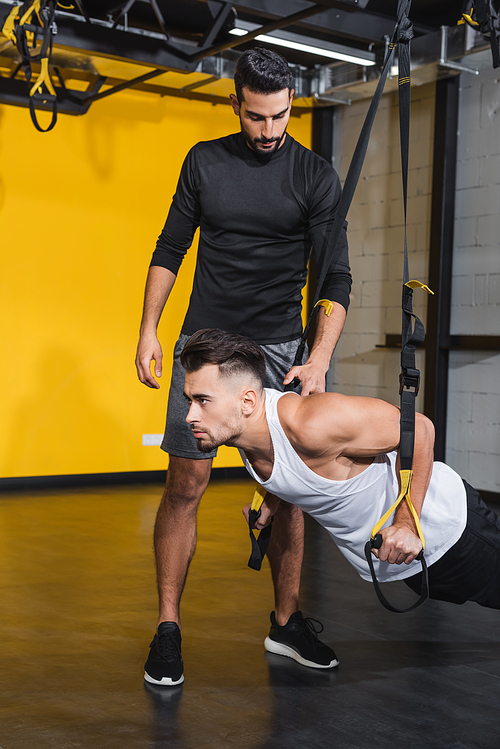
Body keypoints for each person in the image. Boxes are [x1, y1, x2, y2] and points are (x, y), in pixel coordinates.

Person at [135, 48, 352, 686]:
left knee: (291, 495)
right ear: (237, 105)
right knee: (186, 488)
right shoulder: (205, 161)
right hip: (206, 345)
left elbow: (333, 273)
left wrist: (318, 359)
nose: (269, 131)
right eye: (257, 118)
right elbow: (170, 247)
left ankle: (285, 624)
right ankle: (168, 629)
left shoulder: (314, 175)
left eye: (281, 117)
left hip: (282, 348)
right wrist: (148, 328)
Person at [180, 328, 500, 637]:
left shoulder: (313, 423)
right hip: (402, 560)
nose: (190, 415)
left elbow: (419, 430)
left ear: (247, 402)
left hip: (448, 531)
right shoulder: (245, 436)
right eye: (190, 400)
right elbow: (294, 463)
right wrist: (271, 496)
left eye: (203, 400)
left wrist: (406, 523)